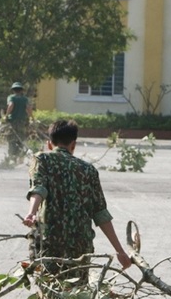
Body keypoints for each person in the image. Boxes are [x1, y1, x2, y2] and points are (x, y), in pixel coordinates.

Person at [22, 119, 132, 283]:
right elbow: (100, 213)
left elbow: (39, 189)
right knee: (75, 294)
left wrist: (31, 213)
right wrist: (120, 251)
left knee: (50, 293)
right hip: (80, 247)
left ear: (49, 144)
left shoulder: (42, 160)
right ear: (73, 144)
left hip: (50, 243)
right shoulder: (88, 170)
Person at [6, 82, 32, 160]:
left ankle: (11, 157)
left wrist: (6, 115)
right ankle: (19, 156)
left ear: (13, 90)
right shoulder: (25, 99)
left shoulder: (11, 97)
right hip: (22, 122)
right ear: (21, 90)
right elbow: (28, 108)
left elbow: (11, 105)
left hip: (12, 122)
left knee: (11, 139)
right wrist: (32, 118)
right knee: (21, 139)